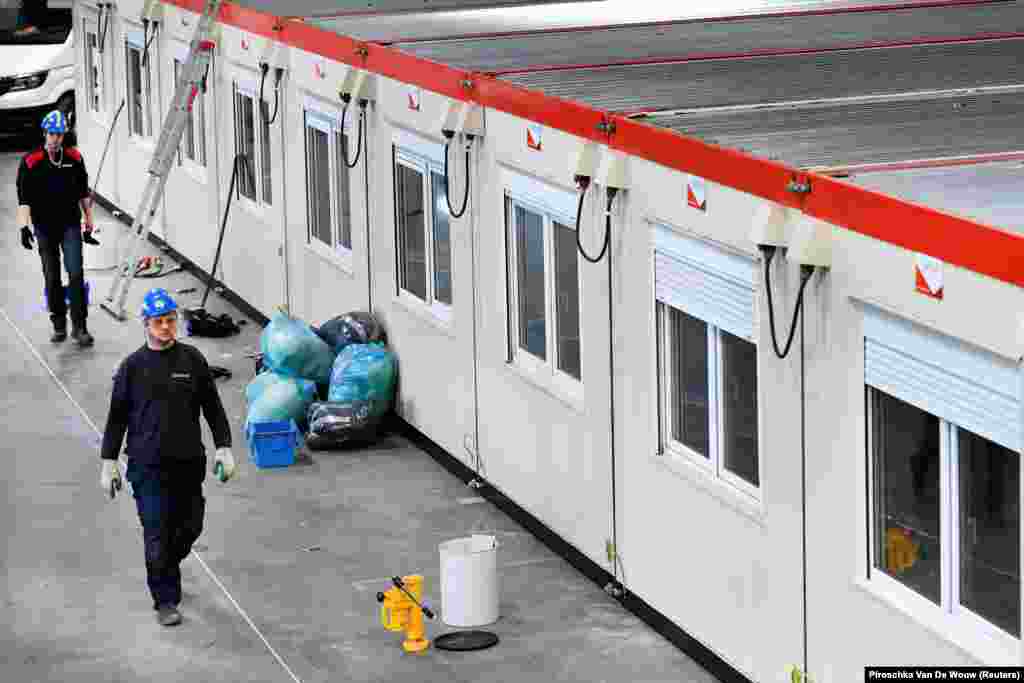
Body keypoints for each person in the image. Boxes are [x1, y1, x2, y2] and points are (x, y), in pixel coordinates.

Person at [100, 288, 237, 627]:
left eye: (171, 320)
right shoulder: (132, 368)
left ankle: (165, 565)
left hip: (189, 463)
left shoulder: (192, 360)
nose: (166, 328)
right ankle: (165, 600)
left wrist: (224, 447)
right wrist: (108, 463)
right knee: (156, 533)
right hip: (147, 467)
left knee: (191, 526)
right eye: (159, 322)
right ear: (145, 324)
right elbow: (117, 418)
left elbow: (213, 409)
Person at [16, 109, 95, 347]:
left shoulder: (74, 158)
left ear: (64, 136)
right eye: (51, 134)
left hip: (70, 224)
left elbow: (83, 193)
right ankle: (59, 323)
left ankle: (80, 326)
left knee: (75, 273)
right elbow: (24, 199)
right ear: (44, 133)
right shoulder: (31, 162)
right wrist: (24, 227)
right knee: (52, 276)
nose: (55, 139)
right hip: (43, 227)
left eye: (60, 135)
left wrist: (89, 220)